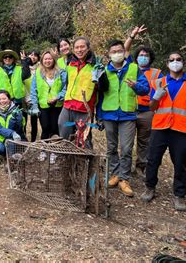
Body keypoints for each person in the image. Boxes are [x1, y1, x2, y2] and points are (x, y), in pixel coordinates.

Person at [141, 51, 186, 211]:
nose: (175, 62)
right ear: (167, 63)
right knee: (153, 160)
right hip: (160, 127)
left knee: (180, 164)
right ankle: (150, 188)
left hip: (182, 130)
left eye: (178, 59)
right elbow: (152, 107)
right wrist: (156, 96)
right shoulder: (158, 82)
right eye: (172, 60)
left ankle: (179, 195)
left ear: (183, 62)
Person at [98, 40, 149, 197]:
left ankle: (124, 179)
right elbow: (100, 95)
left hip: (127, 114)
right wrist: (99, 116)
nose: (117, 54)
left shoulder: (134, 69)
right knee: (111, 147)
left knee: (126, 148)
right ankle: (115, 174)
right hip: (109, 113)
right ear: (109, 54)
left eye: (119, 51)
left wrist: (135, 86)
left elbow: (145, 89)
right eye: (113, 52)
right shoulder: (104, 70)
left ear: (124, 52)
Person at [58, 37, 108, 148]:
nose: (79, 50)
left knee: (84, 139)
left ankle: (87, 163)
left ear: (88, 48)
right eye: (77, 47)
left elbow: (104, 88)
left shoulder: (95, 65)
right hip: (68, 106)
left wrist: (101, 75)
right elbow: (67, 84)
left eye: (82, 47)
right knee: (64, 135)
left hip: (84, 109)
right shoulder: (70, 64)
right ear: (73, 49)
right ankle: (66, 160)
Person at [132, 45, 162, 176]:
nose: (143, 58)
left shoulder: (157, 73)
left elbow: (162, 92)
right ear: (136, 57)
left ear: (150, 58)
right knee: (126, 141)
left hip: (147, 111)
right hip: (130, 110)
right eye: (140, 55)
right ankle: (124, 168)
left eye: (146, 55)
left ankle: (140, 167)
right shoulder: (131, 69)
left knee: (144, 141)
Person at [30, 50, 67, 139]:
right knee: (45, 128)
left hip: (57, 104)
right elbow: (33, 90)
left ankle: (54, 150)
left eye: (50, 59)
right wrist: (34, 105)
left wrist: (58, 97)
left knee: (55, 128)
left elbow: (65, 88)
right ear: (42, 60)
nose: (47, 61)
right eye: (45, 59)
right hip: (43, 105)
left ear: (53, 60)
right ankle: (44, 149)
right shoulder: (38, 73)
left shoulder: (61, 72)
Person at [0, 91, 26, 155]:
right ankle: (8, 152)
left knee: (11, 147)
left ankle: (13, 153)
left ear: (9, 99)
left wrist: (14, 119)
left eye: (4, 99)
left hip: (15, 138)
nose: (2, 101)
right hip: (2, 138)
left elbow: (19, 127)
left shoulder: (16, 110)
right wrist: (11, 133)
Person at [23, 50, 40, 141]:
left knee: (34, 122)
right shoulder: (23, 67)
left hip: (34, 98)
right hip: (24, 98)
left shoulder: (41, 68)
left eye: (35, 55)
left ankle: (33, 141)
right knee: (23, 121)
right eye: (31, 55)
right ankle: (24, 140)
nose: (33, 57)